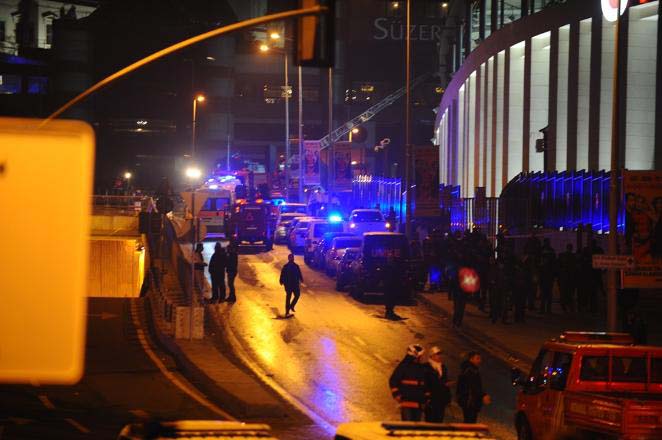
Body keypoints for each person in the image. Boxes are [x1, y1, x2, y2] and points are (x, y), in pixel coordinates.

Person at [389, 344, 430, 421]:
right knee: (407, 425)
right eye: (421, 356)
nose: (422, 358)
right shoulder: (403, 366)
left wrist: (426, 397)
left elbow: (424, 383)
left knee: (415, 427)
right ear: (416, 356)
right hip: (406, 400)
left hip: (418, 401)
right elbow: (393, 380)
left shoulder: (421, 368)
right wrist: (397, 394)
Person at [456, 351, 490, 423]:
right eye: (477, 359)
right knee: (469, 422)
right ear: (471, 359)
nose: (479, 361)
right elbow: (474, 386)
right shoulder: (470, 371)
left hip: (469, 400)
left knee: (469, 421)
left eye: (480, 359)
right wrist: (483, 395)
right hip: (469, 401)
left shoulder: (471, 369)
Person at [424, 346, 452, 423]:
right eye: (437, 354)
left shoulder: (443, 367)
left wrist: (447, 398)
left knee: (439, 420)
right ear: (432, 355)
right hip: (431, 399)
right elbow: (425, 382)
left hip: (441, 399)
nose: (439, 356)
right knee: (430, 421)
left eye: (440, 354)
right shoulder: (426, 367)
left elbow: (444, 380)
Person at [538, 238, 556, 314]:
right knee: (548, 292)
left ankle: (543, 309)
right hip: (548, 274)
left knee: (544, 292)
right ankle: (547, 309)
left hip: (544, 274)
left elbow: (538, 261)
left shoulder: (541, 250)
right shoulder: (551, 251)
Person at [557, 243, 576, 312]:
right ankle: (569, 306)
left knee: (564, 292)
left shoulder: (562, 255)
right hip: (569, 277)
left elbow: (558, 266)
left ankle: (564, 306)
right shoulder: (573, 256)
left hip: (564, 277)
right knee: (569, 293)